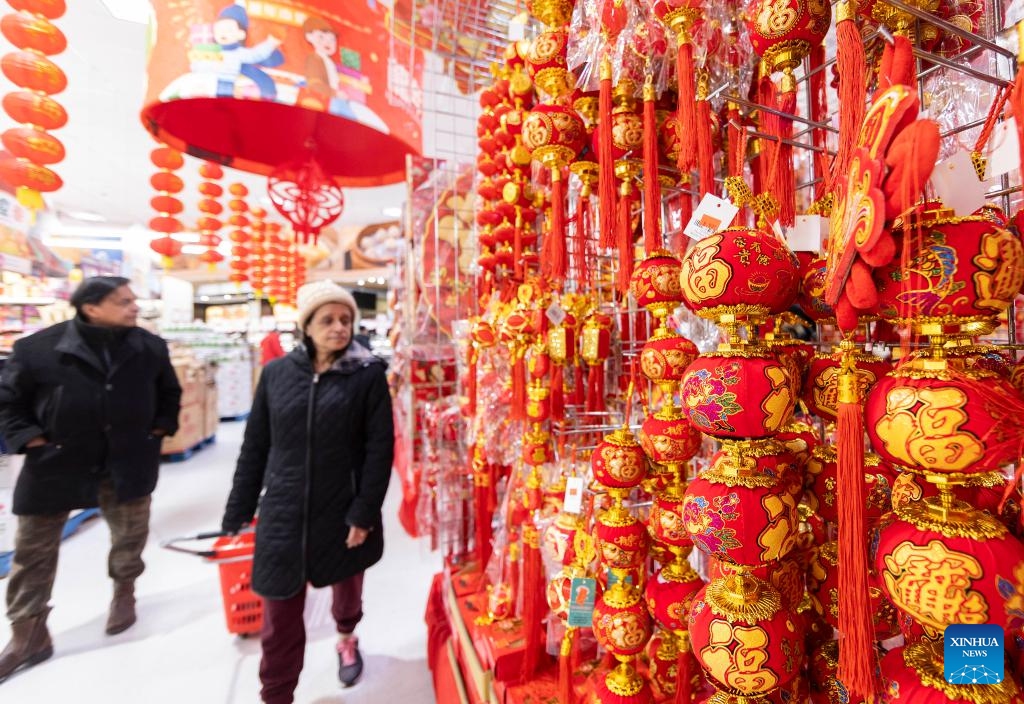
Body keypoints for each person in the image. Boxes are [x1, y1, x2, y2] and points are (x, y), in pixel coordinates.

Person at [0, 277, 182, 683]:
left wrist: (157, 430)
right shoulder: (36, 349)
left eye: (134, 299)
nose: (135, 306)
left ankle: (124, 593)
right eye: (124, 301)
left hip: (127, 458)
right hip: (55, 462)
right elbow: (9, 402)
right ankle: (28, 633)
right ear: (91, 307)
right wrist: (32, 440)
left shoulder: (149, 346)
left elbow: (169, 393)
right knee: (33, 551)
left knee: (129, 535)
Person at [221, 280, 393, 702]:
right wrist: (238, 509)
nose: (339, 327)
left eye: (346, 320)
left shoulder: (368, 375)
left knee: (347, 591)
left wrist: (363, 513)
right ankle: (276, 694)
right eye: (328, 319)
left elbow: (379, 449)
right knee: (278, 616)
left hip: (344, 509)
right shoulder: (277, 374)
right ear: (307, 325)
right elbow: (256, 445)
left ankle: (347, 635)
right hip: (283, 511)